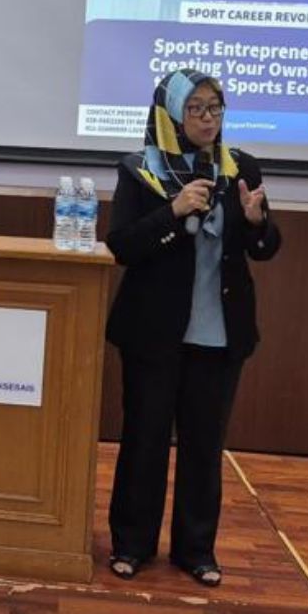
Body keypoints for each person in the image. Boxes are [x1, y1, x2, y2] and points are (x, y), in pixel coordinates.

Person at [105, 68, 282, 587]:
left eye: (215, 108)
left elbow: (265, 249)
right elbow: (122, 246)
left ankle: (196, 550)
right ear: (171, 115)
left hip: (219, 335)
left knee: (204, 447)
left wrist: (258, 223)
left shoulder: (239, 167)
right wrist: (173, 212)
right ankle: (132, 545)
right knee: (145, 442)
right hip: (153, 332)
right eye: (196, 108)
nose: (208, 119)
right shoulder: (140, 170)